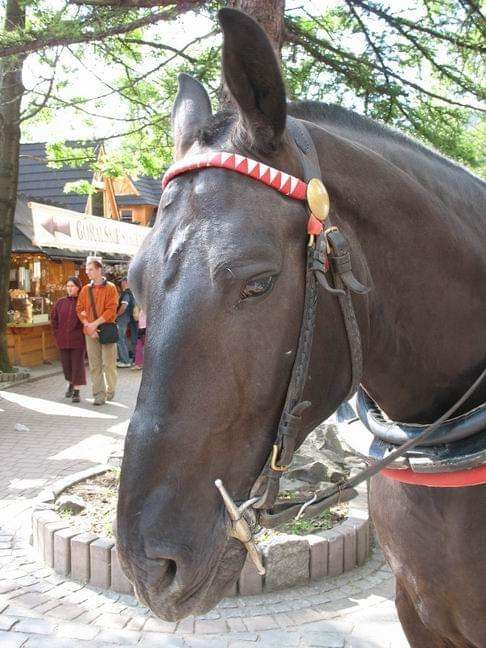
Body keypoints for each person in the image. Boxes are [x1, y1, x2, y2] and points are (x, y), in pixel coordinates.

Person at [76, 257, 119, 406]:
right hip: (90, 332)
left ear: (99, 270)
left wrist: (95, 324)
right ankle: (99, 395)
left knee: (109, 364)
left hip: (106, 330)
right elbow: (79, 308)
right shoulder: (85, 289)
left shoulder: (111, 288)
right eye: (87, 270)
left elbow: (111, 310)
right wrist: (88, 325)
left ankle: (110, 389)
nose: (87, 272)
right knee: (94, 365)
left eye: (90, 269)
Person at [50, 276, 86, 403]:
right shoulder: (60, 302)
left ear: (78, 288)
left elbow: (86, 321)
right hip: (63, 340)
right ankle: (70, 383)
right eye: (68, 286)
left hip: (78, 340)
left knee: (77, 366)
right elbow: (53, 319)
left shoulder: (82, 302)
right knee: (66, 366)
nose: (70, 288)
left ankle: (76, 391)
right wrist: (56, 334)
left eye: (72, 286)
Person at [116, 277, 137, 368]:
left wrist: (116, 315)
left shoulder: (126, 293)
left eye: (122, 282)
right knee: (125, 338)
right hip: (130, 318)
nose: (121, 283)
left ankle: (125, 360)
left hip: (123, 318)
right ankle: (126, 358)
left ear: (125, 282)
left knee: (120, 339)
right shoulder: (132, 292)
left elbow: (124, 306)